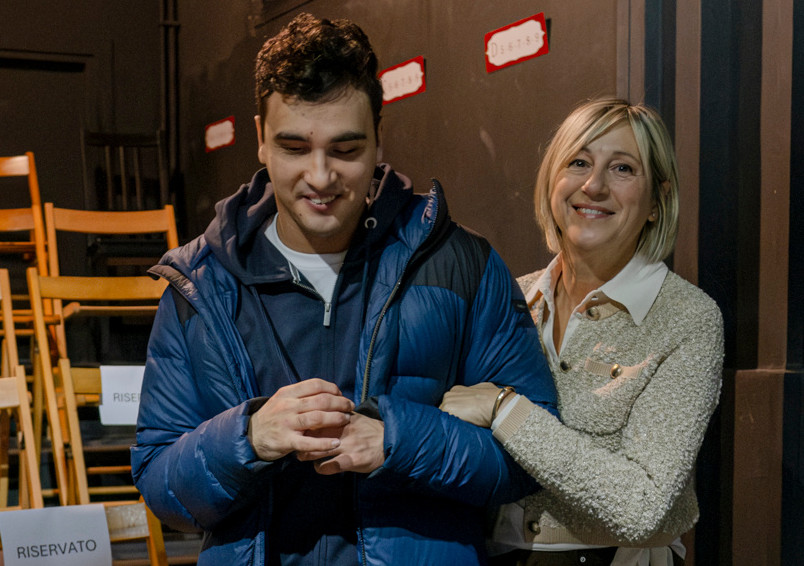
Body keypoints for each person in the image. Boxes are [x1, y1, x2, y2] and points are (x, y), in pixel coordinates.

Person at [131, 12, 558, 566]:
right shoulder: (199, 285)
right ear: (260, 140)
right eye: (294, 148)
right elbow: (162, 484)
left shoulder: (461, 264)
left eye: (345, 150)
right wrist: (249, 437)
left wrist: (397, 442)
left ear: (380, 140)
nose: (320, 177)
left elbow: (534, 454)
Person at [441, 98, 724, 566]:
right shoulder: (509, 297)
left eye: (622, 169)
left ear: (657, 201)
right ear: (553, 180)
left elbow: (642, 508)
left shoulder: (687, 318)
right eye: (578, 162)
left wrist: (503, 409)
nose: (593, 186)